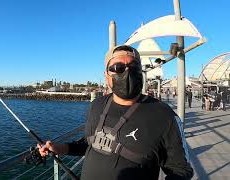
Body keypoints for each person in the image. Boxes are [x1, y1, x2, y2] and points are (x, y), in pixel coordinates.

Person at [37, 45, 193, 180]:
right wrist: (59, 148)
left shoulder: (164, 115)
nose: (126, 72)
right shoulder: (96, 105)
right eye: (118, 68)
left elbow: (181, 170)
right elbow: (89, 143)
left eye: (133, 67)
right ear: (107, 76)